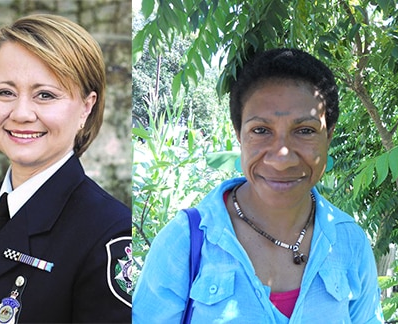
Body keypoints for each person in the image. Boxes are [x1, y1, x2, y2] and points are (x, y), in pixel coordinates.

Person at [133, 48, 384, 323]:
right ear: (239, 135)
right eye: (261, 130)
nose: (282, 159)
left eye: (305, 131)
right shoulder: (184, 243)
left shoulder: (350, 243)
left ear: (329, 136)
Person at [0, 14, 132, 323]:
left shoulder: (109, 234)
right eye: (5, 92)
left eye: (45, 95)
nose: (21, 113)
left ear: (86, 108)